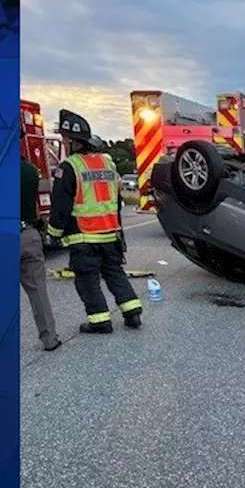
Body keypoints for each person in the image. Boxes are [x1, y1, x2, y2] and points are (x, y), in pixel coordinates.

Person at [47, 109, 142, 334]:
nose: (64, 143)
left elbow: (61, 206)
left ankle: (99, 321)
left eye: (65, 139)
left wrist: (53, 234)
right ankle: (132, 312)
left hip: (84, 236)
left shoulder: (69, 167)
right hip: (110, 233)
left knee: (87, 280)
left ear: (73, 142)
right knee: (114, 273)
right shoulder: (108, 163)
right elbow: (116, 199)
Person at [20, 156, 61, 351]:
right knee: (38, 290)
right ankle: (50, 338)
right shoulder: (30, 171)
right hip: (28, 235)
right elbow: (35, 209)